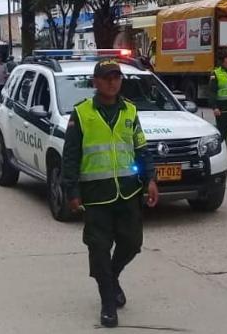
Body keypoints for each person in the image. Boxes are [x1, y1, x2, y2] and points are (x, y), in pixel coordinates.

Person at [62, 59, 159, 328]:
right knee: (99, 248)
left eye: (116, 77)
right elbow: (70, 157)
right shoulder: (82, 114)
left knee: (132, 243)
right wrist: (71, 191)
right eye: (106, 78)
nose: (112, 82)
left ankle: (112, 277)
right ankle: (107, 303)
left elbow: (141, 148)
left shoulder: (129, 110)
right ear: (95, 82)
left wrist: (150, 178)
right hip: (96, 195)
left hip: (128, 192)